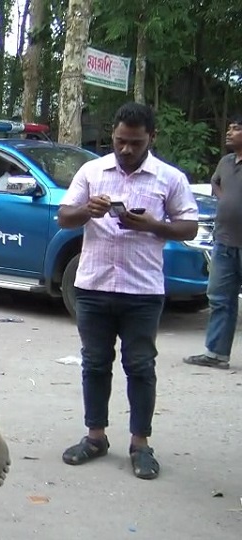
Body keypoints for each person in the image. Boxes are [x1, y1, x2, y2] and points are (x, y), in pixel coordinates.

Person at [57, 102, 199, 480]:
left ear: (151, 138)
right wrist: (89, 210)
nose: (125, 149)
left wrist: (155, 225)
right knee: (95, 363)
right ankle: (95, 437)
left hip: (142, 291)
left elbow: (190, 228)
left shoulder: (169, 178)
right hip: (93, 286)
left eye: (135, 143)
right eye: (120, 141)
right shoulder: (91, 171)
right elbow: (64, 217)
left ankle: (140, 444)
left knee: (140, 367)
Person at [183, 116, 242, 370]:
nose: (229, 132)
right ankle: (216, 353)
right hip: (224, 241)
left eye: (236, 128)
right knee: (220, 297)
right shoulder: (226, 162)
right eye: (228, 127)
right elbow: (215, 182)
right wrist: (226, 199)